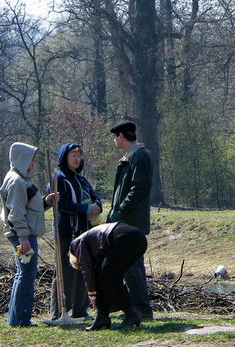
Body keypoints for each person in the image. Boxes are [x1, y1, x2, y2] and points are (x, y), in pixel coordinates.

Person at [1, 142, 59, 327]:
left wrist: (47, 201)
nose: (33, 163)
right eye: (31, 160)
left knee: (23, 273)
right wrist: (23, 238)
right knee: (26, 274)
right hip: (22, 236)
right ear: (22, 159)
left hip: (22, 233)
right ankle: (21, 319)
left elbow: (28, 207)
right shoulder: (17, 182)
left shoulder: (19, 179)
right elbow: (16, 213)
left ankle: (16, 319)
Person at [49, 143, 103, 322]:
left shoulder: (81, 179)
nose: (77, 158)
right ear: (64, 157)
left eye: (79, 155)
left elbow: (95, 198)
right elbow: (62, 204)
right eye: (73, 155)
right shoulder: (59, 178)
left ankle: (80, 310)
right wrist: (85, 209)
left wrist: (97, 206)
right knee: (64, 272)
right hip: (66, 232)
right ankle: (59, 312)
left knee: (82, 269)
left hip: (83, 233)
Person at [107, 121, 154, 319]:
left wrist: (120, 210)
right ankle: (134, 307)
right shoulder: (129, 157)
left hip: (131, 222)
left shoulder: (140, 156)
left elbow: (139, 188)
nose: (114, 141)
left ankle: (141, 309)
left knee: (132, 267)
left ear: (121, 136)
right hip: (126, 222)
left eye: (115, 136)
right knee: (130, 266)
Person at [68, 222, 148, 331]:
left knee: (107, 278)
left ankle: (131, 315)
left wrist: (92, 295)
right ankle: (103, 317)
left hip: (123, 237)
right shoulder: (94, 245)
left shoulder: (75, 245)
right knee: (109, 278)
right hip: (139, 238)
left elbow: (87, 270)